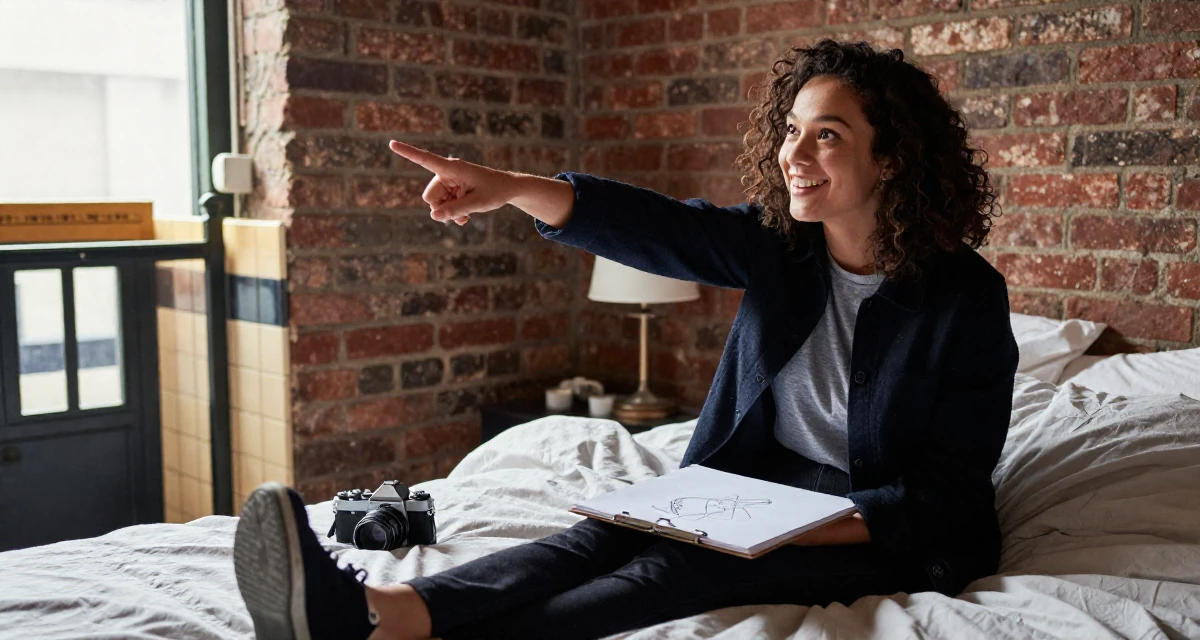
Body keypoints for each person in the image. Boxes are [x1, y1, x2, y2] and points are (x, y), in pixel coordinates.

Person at [232, 40, 1018, 640]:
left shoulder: (965, 298)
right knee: (600, 535)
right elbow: (659, 228)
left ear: (891, 159)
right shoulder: (784, 247)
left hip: (885, 527)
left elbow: (945, 494)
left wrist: (789, 524)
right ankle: (384, 608)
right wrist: (507, 188)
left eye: (828, 137)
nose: (794, 156)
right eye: (791, 131)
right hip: (764, 485)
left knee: (674, 563)